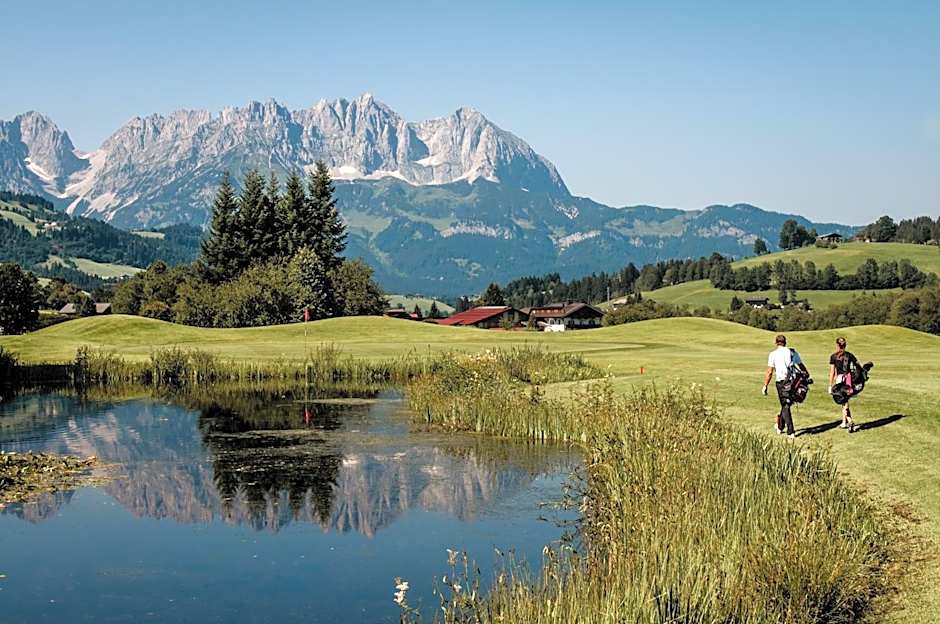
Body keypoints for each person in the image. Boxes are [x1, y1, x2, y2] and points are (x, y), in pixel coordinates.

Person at [762, 334, 810, 439]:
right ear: (785, 342)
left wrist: (765, 385)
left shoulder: (773, 354)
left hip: (781, 382)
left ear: (776, 342)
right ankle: (780, 426)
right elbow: (801, 366)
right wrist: (807, 375)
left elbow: (770, 372)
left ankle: (790, 431)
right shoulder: (792, 352)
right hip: (793, 382)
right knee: (786, 404)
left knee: (785, 404)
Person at [828, 336, 859, 433]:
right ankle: (844, 422)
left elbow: (832, 372)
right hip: (849, 379)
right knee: (844, 401)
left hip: (840, 380)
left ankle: (849, 421)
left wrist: (830, 385)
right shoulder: (850, 355)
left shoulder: (833, 356)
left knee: (844, 401)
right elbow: (857, 366)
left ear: (837, 345)